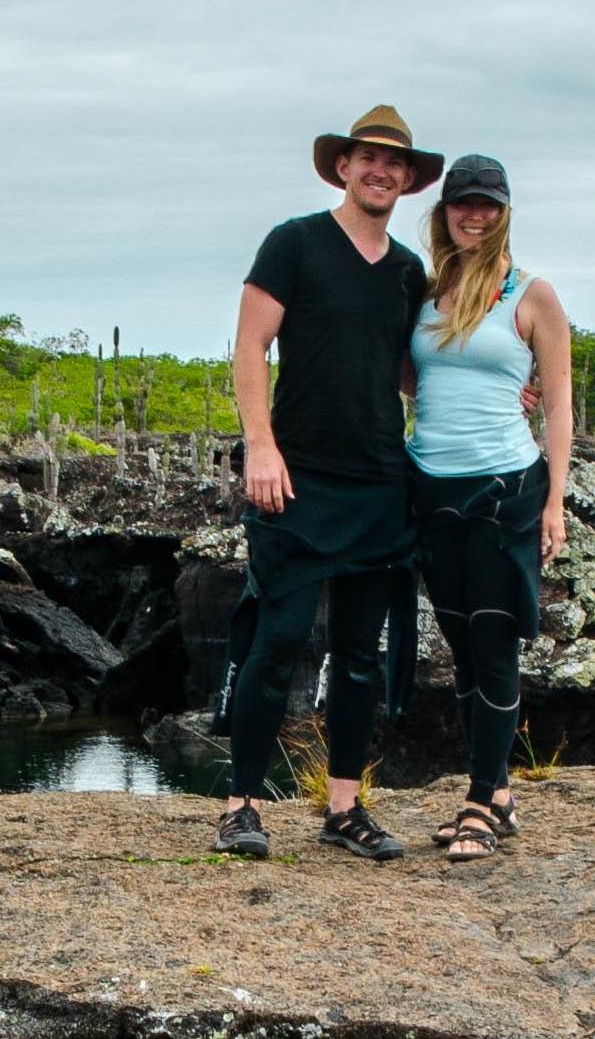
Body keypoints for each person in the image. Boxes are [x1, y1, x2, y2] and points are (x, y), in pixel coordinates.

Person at [213, 104, 435, 860]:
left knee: (361, 655)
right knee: (275, 642)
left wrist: (505, 388)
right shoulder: (295, 243)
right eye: (367, 158)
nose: (380, 170)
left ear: (408, 180)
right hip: (296, 482)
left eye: (394, 163)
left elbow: (412, 371)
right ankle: (241, 804)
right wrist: (260, 447)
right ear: (343, 166)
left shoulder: (408, 272)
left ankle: (344, 808)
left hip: (380, 484)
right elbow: (249, 347)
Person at [406, 151, 572, 861]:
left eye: (488, 204)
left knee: (496, 640)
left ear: (505, 212)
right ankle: (498, 790)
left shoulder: (532, 294)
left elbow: (560, 403)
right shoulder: (427, 290)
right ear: (444, 211)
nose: (474, 215)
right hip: (431, 489)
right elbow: (419, 381)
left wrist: (556, 501)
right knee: (462, 650)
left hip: (506, 487)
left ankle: (479, 800)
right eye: (461, 203)